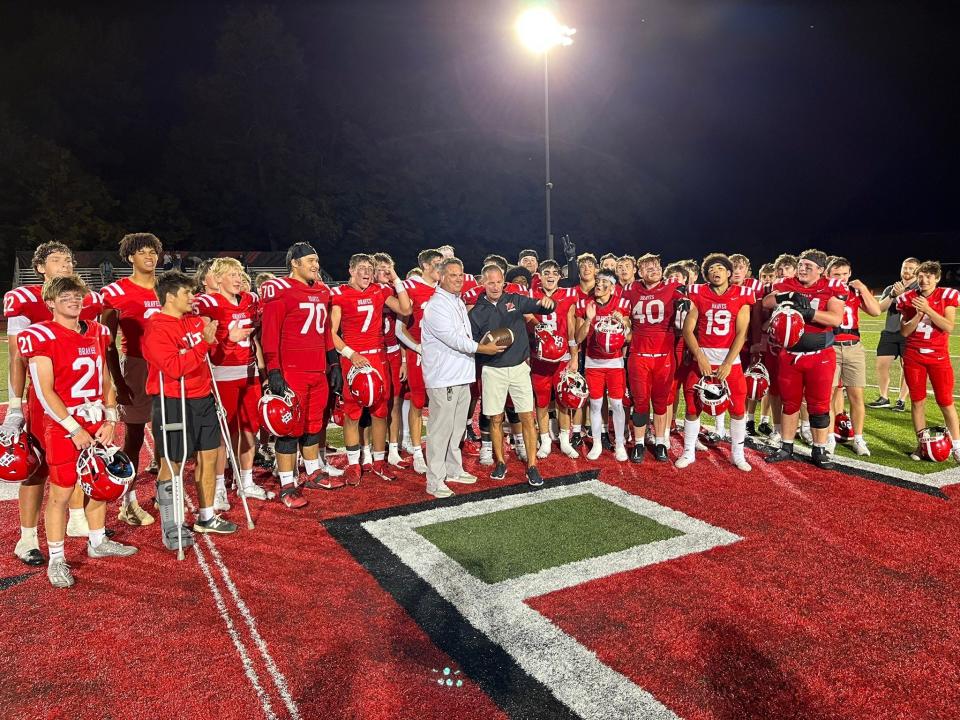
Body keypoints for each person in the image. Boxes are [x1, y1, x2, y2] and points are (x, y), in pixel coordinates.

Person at [18, 274, 137, 588]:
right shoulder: (40, 335)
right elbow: (44, 391)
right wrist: (72, 428)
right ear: (50, 304)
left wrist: (111, 419)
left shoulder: (97, 331)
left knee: (100, 481)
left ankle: (97, 541)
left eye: (77, 296)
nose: (74, 301)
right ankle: (56, 558)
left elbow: (105, 379)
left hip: (96, 418)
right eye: (65, 297)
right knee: (60, 491)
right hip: (62, 423)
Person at [2, 243, 105, 565]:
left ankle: (77, 519)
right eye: (57, 260)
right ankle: (28, 537)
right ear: (40, 268)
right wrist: (16, 405)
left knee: (81, 462)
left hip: (81, 399)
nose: (65, 264)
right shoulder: (24, 299)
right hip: (44, 400)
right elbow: (17, 358)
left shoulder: (80, 298)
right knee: (36, 467)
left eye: (69, 260)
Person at [144, 271, 251, 545]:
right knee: (173, 461)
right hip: (173, 401)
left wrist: (224, 339)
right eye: (187, 294)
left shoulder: (193, 321)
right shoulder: (156, 327)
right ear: (170, 297)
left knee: (209, 457)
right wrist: (204, 341)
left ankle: (206, 516)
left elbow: (211, 355)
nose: (193, 298)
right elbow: (174, 367)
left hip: (203, 397)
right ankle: (172, 524)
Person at [259, 243, 342, 507]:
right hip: (292, 371)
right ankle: (286, 484)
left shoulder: (322, 290)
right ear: (294, 263)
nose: (316, 265)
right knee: (289, 430)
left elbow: (326, 331)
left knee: (313, 426)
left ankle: (313, 471)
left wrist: (335, 364)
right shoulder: (280, 290)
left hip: (317, 370)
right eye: (310, 260)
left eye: (317, 260)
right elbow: (270, 333)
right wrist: (273, 369)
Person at [421, 258, 504, 497]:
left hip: (460, 375)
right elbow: (454, 340)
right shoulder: (436, 305)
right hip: (444, 377)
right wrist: (483, 348)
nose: (458, 279)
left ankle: (453, 469)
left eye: (461, 275)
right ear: (441, 276)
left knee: (457, 429)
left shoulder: (455, 301)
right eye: (453, 275)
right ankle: (434, 480)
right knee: (440, 431)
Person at [194, 257, 270, 508]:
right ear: (218, 279)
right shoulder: (208, 302)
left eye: (240, 273)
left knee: (249, 429)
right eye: (232, 274)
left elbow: (258, 328)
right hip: (222, 373)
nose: (238, 278)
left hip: (248, 374)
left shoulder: (250, 300)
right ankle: (217, 486)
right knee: (220, 434)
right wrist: (228, 335)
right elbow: (203, 336)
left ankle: (245, 481)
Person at [469, 264, 555, 485]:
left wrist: (547, 303)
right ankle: (500, 462)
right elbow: (472, 344)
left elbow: (541, 306)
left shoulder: (515, 300)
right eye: (491, 282)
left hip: (518, 367)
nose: (496, 286)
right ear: (483, 282)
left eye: (499, 282)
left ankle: (533, 466)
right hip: (492, 370)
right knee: (495, 418)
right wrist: (483, 348)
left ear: (503, 283)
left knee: (527, 416)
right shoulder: (476, 311)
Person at [330, 253, 412, 484]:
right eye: (362, 268)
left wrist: (395, 278)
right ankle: (354, 463)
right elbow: (331, 333)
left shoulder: (378, 291)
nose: (366, 272)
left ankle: (378, 461)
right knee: (352, 414)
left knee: (380, 412)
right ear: (351, 270)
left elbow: (405, 309)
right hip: (354, 360)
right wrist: (351, 353)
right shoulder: (340, 294)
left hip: (378, 359)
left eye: (369, 268)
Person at [101, 232, 163, 527]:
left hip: (170, 367)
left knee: (169, 430)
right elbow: (106, 342)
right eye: (142, 252)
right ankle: (128, 500)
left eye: (153, 251)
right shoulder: (115, 292)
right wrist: (117, 381)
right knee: (135, 436)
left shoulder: (167, 288)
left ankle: (166, 492)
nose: (150, 256)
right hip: (137, 366)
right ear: (130, 257)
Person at [763, 249, 846, 469]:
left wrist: (808, 313)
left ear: (821, 270)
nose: (803, 269)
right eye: (801, 265)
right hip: (789, 354)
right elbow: (766, 302)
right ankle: (786, 446)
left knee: (818, 405)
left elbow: (835, 318)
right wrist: (786, 296)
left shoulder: (832, 286)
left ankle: (819, 449)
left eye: (809, 266)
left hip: (820, 355)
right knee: (789, 403)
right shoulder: (786, 283)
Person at [676, 254, 754, 471]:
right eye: (710, 269)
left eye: (719, 268)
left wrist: (728, 363)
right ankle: (689, 451)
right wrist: (700, 356)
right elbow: (687, 330)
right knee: (692, 406)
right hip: (702, 359)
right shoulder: (699, 293)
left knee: (738, 409)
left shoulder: (742, 294)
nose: (715, 271)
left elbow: (741, 333)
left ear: (729, 272)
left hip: (730, 361)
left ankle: (737, 454)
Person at [621, 253, 685, 463]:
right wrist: (623, 322)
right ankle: (639, 443)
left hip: (663, 355)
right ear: (639, 272)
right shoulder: (631, 289)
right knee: (640, 403)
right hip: (639, 354)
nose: (654, 269)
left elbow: (687, 304)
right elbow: (621, 313)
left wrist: (686, 305)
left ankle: (660, 442)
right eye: (648, 267)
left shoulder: (673, 286)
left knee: (660, 402)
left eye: (656, 265)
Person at [898, 261, 960, 462]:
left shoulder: (947, 295)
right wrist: (918, 314)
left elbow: (948, 326)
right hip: (914, 356)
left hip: (938, 356)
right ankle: (921, 445)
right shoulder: (907, 298)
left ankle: (957, 445)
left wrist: (929, 310)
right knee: (917, 401)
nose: (924, 280)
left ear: (937, 278)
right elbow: (905, 331)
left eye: (928, 276)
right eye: (921, 276)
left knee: (945, 401)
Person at [573, 269, 633, 461]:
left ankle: (620, 445)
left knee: (616, 404)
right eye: (597, 281)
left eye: (604, 282)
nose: (599, 285)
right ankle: (597, 443)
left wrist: (622, 323)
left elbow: (630, 336)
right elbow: (578, 337)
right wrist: (589, 320)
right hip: (593, 362)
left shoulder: (621, 304)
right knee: (596, 404)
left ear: (613, 288)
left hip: (615, 363)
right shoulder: (586, 304)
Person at [825, 257, 882, 456]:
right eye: (836, 274)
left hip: (853, 346)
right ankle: (830, 437)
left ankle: (858, 438)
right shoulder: (824, 291)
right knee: (830, 396)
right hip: (830, 346)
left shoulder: (855, 292)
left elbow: (875, 311)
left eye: (844, 274)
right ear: (828, 274)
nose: (840, 278)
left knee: (856, 396)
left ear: (850, 274)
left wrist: (864, 288)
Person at [527, 259, 580, 459]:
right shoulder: (530, 295)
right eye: (546, 272)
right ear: (539, 276)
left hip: (562, 357)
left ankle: (565, 440)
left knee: (563, 399)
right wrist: (535, 324)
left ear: (559, 276)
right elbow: (525, 318)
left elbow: (572, 331)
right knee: (541, 401)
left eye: (554, 273)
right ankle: (545, 439)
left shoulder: (568, 295)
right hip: (539, 357)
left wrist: (574, 357)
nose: (550, 276)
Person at [399, 249, 443, 474]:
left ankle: (435, 449)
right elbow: (400, 328)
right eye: (436, 264)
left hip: (442, 356)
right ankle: (417, 451)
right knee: (417, 403)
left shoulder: (444, 288)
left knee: (439, 404)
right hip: (420, 354)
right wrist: (418, 349)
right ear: (425, 266)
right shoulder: (411, 287)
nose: (440, 268)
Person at [869, 257, 920, 411]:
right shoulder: (890, 288)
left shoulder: (920, 288)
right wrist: (892, 295)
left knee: (907, 367)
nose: (907, 271)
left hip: (910, 334)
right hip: (890, 332)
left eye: (911, 268)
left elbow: (916, 308)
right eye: (905, 267)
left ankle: (901, 400)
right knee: (881, 365)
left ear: (917, 271)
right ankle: (884, 397)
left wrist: (904, 294)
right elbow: (879, 309)